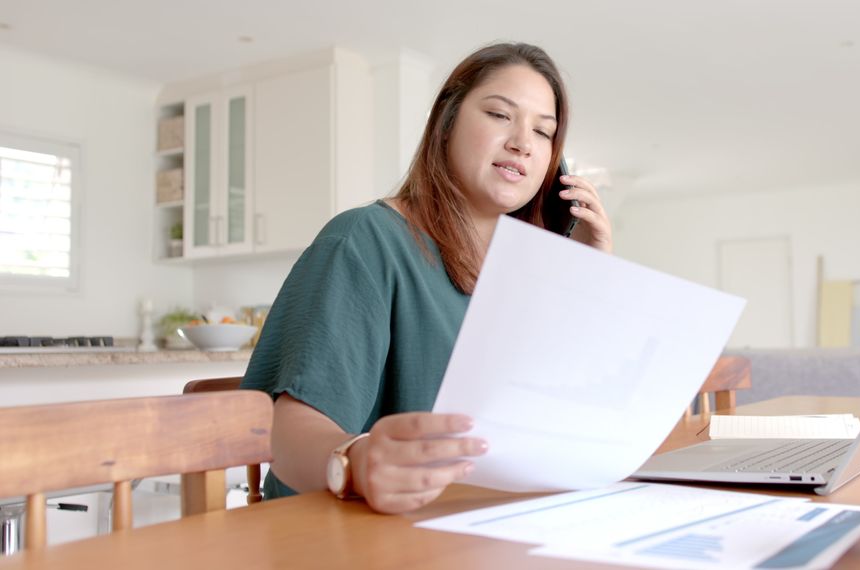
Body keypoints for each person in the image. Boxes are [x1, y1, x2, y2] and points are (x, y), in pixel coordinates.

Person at [241, 42, 613, 514]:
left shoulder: (527, 277)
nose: (523, 141)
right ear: (446, 122)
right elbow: (284, 433)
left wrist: (589, 278)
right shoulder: (366, 240)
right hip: (348, 534)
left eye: (544, 132)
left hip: (489, 525)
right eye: (500, 115)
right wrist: (357, 462)